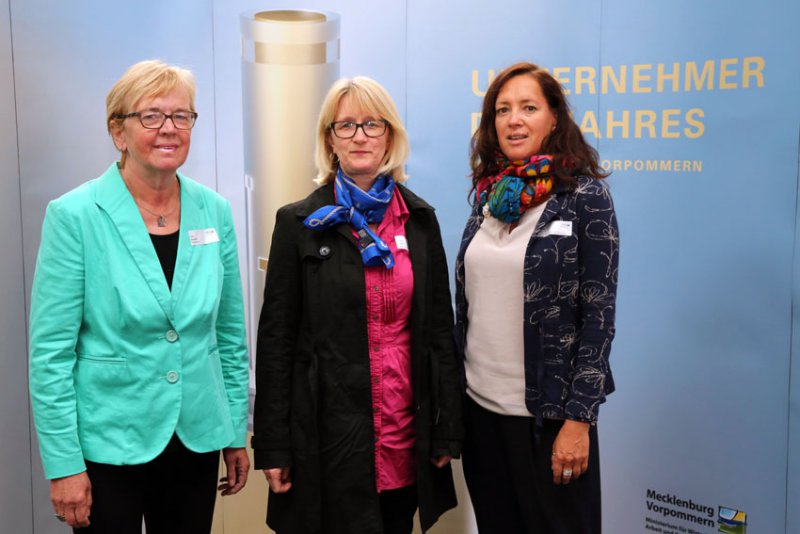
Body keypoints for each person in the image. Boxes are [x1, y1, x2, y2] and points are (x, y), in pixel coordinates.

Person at [28, 59, 250, 532]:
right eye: (151, 116)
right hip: (108, 445)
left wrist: (234, 430)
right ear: (118, 131)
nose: (169, 129)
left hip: (195, 439)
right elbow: (50, 355)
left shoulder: (214, 211)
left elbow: (229, 337)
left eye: (181, 116)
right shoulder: (74, 216)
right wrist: (63, 464)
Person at [252, 76, 463, 534]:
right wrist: (272, 445)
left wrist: (446, 429)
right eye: (345, 125)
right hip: (324, 439)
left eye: (372, 124)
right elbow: (277, 342)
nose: (360, 136)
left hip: (402, 436)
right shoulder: (299, 223)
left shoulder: (420, 221)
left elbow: (438, 333)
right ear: (330, 140)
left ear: (390, 135)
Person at [454, 61, 619, 533]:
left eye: (529, 107)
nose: (514, 120)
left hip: (550, 419)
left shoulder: (584, 197)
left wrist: (579, 420)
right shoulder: (489, 199)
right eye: (503, 110)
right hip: (481, 414)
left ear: (554, 118)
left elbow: (599, 318)